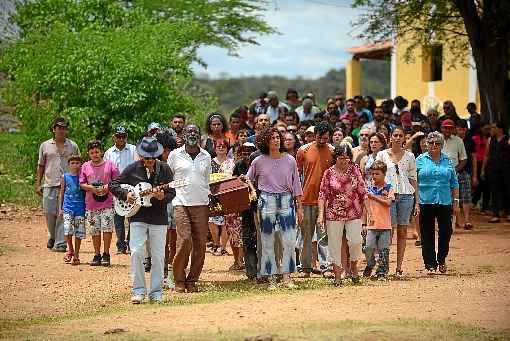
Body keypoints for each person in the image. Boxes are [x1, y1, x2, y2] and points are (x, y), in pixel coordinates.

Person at [110, 136, 175, 303]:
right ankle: (138, 290)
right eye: (147, 158)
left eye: (153, 157)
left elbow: (172, 192)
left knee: (159, 256)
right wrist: (126, 195)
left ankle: (156, 292)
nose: (150, 161)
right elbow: (113, 185)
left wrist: (162, 196)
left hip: (159, 218)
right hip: (137, 217)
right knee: (137, 252)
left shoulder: (165, 169)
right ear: (141, 156)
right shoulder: (132, 169)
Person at [245, 127, 304, 290]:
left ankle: (287, 277)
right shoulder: (258, 161)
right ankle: (271, 278)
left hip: (286, 200)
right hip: (266, 200)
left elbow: (297, 185)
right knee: (267, 241)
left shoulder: (290, 160)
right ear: (265, 141)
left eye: (278, 137)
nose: (276, 140)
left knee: (290, 240)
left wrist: (299, 207)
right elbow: (247, 178)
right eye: (272, 138)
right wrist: (252, 189)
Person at [168, 124, 211, 293]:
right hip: (181, 203)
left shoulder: (206, 156)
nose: (192, 134)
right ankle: (179, 279)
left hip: (201, 203)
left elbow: (206, 180)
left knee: (200, 244)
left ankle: (193, 279)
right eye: (189, 131)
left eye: (195, 131)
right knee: (184, 240)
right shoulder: (174, 155)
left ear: (200, 136)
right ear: (183, 135)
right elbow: (169, 178)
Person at [317, 144, 369, 285]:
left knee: (356, 241)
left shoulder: (355, 170)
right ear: (336, 158)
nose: (344, 161)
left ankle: (353, 266)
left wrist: (369, 214)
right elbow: (323, 194)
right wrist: (320, 215)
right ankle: (338, 276)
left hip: (354, 212)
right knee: (334, 244)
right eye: (341, 158)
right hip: (334, 213)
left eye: (346, 158)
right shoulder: (328, 173)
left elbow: (363, 192)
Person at [376, 127, 418, 278]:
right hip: (389, 197)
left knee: (402, 231)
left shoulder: (410, 156)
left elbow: (413, 179)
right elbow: (376, 177)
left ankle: (399, 267)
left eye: (401, 135)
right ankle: (384, 267)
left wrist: (417, 202)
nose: (398, 137)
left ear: (404, 139)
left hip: (407, 196)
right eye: (395, 135)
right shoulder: (381, 155)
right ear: (390, 137)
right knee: (388, 232)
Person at [416, 132, 459, 274]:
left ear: (441, 145)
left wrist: (456, 202)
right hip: (425, 201)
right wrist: (415, 202)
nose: (434, 145)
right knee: (426, 233)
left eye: (437, 143)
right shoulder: (420, 160)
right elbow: (413, 181)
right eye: (431, 143)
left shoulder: (448, 161)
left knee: (446, 231)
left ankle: (441, 258)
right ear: (426, 144)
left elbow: (454, 183)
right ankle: (430, 264)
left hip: (445, 201)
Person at [36, 117, 80, 252]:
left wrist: (79, 182)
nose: (61, 130)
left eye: (64, 128)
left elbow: (79, 164)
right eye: (59, 128)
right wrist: (38, 183)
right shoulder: (45, 145)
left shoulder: (72, 145)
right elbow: (41, 165)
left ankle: (60, 243)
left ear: (66, 130)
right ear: (53, 129)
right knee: (48, 212)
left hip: (68, 184)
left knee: (62, 213)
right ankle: (53, 236)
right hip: (49, 183)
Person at [296, 122, 333, 277]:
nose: (322, 140)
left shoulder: (332, 151)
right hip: (306, 199)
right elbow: (297, 175)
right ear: (314, 134)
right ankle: (305, 268)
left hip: (325, 200)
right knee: (306, 235)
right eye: (320, 137)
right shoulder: (303, 150)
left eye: (325, 138)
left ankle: (326, 267)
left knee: (324, 234)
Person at [79, 140, 119, 266]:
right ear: (88, 153)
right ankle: (97, 254)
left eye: (97, 152)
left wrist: (107, 187)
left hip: (107, 202)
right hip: (91, 204)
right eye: (92, 152)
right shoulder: (85, 166)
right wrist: (92, 188)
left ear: (101, 151)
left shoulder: (110, 165)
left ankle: (106, 254)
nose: (95, 154)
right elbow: (81, 183)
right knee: (94, 230)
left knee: (107, 229)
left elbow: (117, 181)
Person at [103, 125, 137, 254]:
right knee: (118, 217)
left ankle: (130, 242)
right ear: (114, 137)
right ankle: (120, 244)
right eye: (118, 136)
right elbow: (106, 171)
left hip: (131, 187)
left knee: (132, 216)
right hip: (116, 188)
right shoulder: (108, 153)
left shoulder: (133, 149)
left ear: (126, 137)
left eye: (123, 136)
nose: (121, 139)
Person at [363, 160, 394, 280]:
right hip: (372, 225)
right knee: (368, 247)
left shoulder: (389, 188)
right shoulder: (369, 189)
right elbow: (365, 207)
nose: (374, 176)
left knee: (383, 249)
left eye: (377, 174)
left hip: (385, 225)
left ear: (384, 174)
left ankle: (382, 272)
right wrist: (364, 223)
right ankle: (370, 263)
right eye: (373, 174)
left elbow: (388, 203)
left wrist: (374, 197)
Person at [155, 130, 178, 290]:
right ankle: (163, 273)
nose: (166, 153)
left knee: (175, 239)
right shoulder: (153, 166)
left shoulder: (176, 161)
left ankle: (173, 271)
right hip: (161, 205)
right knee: (161, 240)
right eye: (163, 150)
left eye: (167, 149)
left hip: (176, 202)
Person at [233, 142, 259, 280]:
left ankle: (261, 269)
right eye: (244, 153)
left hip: (259, 205)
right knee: (248, 239)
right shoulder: (238, 165)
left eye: (249, 152)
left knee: (260, 238)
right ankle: (251, 272)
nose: (246, 155)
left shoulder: (259, 162)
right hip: (245, 207)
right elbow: (233, 182)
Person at [208, 139, 235, 257]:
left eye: (224, 146)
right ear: (215, 148)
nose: (221, 148)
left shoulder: (231, 163)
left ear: (227, 148)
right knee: (212, 221)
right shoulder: (209, 162)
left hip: (227, 194)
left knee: (225, 221)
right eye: (219, 146)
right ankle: (216, 244)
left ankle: (223, 247)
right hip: (212, 193)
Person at [58, 155, 86, 265]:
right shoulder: (65, 176)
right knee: (67, 229)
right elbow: (62, 192)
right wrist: (61, 208)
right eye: (72, 163)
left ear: (81, 164)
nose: (75, 165)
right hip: (68, 208)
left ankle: (77, 254)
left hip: (80, 208)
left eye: (77, 163)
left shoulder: (82, 177)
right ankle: (70, 249)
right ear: (68, 165)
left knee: (78, 232)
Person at [440, 119, 467, 229]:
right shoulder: (437, 140)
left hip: (453, 174)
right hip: (438, 174)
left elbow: (464, 159)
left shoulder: (459, 141)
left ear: (453, 129)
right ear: (442, 128)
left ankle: (452, 224)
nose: (447, 129)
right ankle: (442, 223)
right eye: (445, 127)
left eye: (450, 128)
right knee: (440, 199)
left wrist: (455, 171)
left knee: (454, 199)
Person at [482, 121, 510, 223]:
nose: (492, 129)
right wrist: (483, 170)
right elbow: (486, 155)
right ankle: (496, 214)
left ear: (500, 129)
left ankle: (508, 213)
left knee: (507, 190)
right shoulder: (490, 140)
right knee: (495, 191)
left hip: (506, 169)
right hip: (493, 168)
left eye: (494, 128)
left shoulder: (507, 139)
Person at [455, 119, 477, 230]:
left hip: (466, 171)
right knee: (455, 197)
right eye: (458, 129)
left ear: (465, 129)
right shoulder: (453, 141)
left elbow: (473, 158)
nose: (460, 131)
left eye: (461, 129)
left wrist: (474, 175)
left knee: (466, 196)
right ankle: (458, 220)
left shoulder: (470, 141)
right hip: (454, 172)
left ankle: (467, 220)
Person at [471, 122, 491, 213]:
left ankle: (484, 207)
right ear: (481, 128)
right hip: (477, 163)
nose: (487, 130)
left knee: (486, 185)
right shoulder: (475, 138)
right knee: (478, 184)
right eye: (485, 128)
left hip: (488, 163)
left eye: (488, 129)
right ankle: (474, 202)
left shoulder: (490, 139)